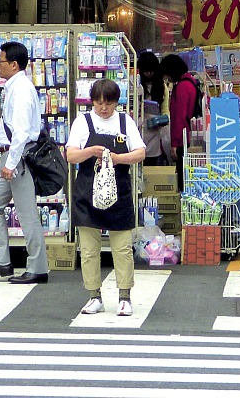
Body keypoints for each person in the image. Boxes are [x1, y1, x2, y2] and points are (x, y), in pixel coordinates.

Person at [66, 79, 146, 316]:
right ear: (92, 102)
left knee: (121, 248)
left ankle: (124, 296)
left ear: (116, 102)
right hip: (86, 193)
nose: (103, 108)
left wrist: (117, 158)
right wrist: (91, 152)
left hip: (118, 191)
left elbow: (140, 152)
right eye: (99, 103)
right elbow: (71, 155)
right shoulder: (83, 122)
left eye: (109, 103)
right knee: (89, 249)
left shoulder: (124, 121)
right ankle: (94, 295)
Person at [0, 41, 48, 285]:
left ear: (14, 64)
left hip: (19, 157)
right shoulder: (13, 87)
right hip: (9, 156)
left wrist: (11, 163)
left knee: (27, 212)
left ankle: (38, 267)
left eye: (1, 61)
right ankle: (2, 262)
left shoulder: (21, 91)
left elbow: (20, 131)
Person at [161, 54, 202, 163]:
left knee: (182, 174)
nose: (167, 79)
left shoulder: (182, 87)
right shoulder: (191, 82)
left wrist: (175, 144)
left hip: (183, 139)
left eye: (167, 75)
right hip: (188, 135)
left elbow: (179, 117)